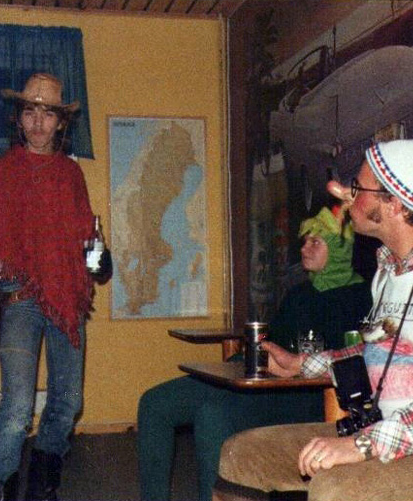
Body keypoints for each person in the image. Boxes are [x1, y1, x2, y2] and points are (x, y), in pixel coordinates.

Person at [214, 123, 413, 501]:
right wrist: (301, 364)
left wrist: (363, 445)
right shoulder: (387, 272)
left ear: (395, 204)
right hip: (384, 431)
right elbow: (375, 355)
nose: (343, 194)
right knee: (243, 454)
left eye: (358, 188)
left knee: (337, 489)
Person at [137, 206, 372, 501]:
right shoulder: (299, 294)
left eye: (316, 242)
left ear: (339, 250)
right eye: (304, 241)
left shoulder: (362, 297)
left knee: (213, 415)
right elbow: (274, 340)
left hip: (307, 394)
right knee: (155, 403)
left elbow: (355, 361)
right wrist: (241, 362)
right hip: (266, 382)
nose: (304, 248)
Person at [0, 73, 109, 501]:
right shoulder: (3, 172)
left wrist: (98, 256)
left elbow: (85, 236)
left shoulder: (70, 175)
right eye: (30, 111)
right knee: (18, 407)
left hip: (65, 298)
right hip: (18, 298)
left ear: (61, 122)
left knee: (68, 403)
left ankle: (42, 488)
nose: (38, 122)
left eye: (48, 113)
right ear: (19, 118)